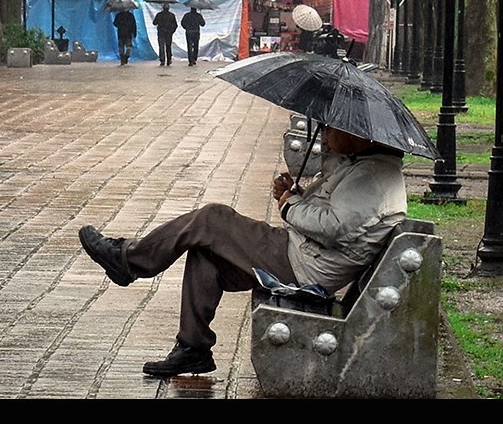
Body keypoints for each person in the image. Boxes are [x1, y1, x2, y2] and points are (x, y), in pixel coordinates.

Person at [78, 124, 407, 377]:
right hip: (306, 256)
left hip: (303, 264)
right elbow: (338, 217)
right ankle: (193, 348)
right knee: (206, 253)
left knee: (212, 219)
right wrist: (296, 193)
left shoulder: (371, 176)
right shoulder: (368, 168)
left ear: (360, 135)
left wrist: (289, 205)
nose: (324, 133)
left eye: (331, 128)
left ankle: (128, 260)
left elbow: (332, 227)